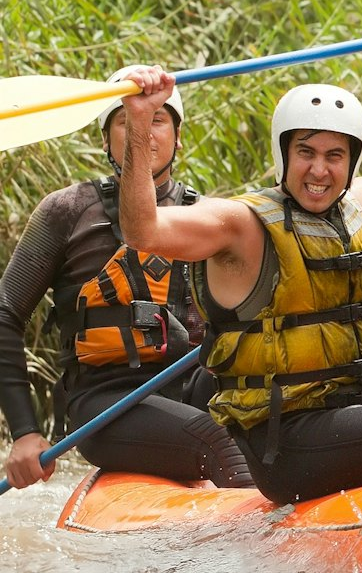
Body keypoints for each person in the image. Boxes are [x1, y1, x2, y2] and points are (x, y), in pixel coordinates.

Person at [114, 3, 362, 505]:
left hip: (347, 419)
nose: (320, 170)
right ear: (283, 156)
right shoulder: (241, 224)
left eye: (334, 155)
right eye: (306, 153)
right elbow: (142, 230)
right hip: (290, 448)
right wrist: (140, 123)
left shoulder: (359, 204)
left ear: (351, 161)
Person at [1, 72, 252, 490]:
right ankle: (267, 549)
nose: (145, 131)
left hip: (192, 389)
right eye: (128, 121)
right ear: (105, 139)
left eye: (158, 119)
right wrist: (25, 431)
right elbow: (6, 313)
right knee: (216, 440)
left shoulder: (205, 217)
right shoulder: (66, 211)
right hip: (106, 404)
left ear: (178, 137)